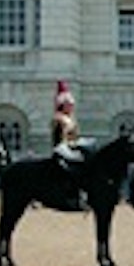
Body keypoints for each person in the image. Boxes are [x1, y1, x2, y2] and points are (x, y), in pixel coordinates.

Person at [50, 80, 87, 211]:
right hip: (62, 148)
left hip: (71, 147)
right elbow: (61, 137)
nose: (71, 107)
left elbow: (75, 136)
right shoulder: (59, 118)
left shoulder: (71, 118)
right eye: (69, 105)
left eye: (71, 105)